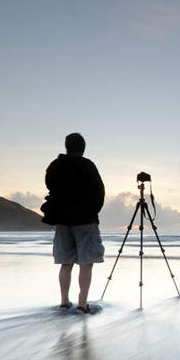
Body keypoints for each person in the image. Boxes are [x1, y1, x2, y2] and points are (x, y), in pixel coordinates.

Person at [45, 132, 105, 314]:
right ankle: (82, 304)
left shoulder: (55, 166)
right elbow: (99, 193)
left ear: (66, 146)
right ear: (83, 148)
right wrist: (92, 211)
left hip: (63, 221)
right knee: (86, 263)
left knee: (66, 262)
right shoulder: (88, 166)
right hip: (85, 220)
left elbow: (49, 185)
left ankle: (64, 302)